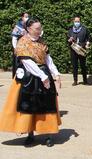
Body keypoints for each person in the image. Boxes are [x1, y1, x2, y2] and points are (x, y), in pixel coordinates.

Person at [0, 18, 62, 147]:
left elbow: (48, 59)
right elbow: (27, 63)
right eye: (37, 29)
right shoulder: (22, 43)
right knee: (28, 104)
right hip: (29, 77)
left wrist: (56, 73)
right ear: (29, 29)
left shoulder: (42, 41)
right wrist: (43, 76)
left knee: (47, 104)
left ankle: (48, 134)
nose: (39, 31)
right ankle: (30, 133)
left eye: (40, 28)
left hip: (43, 73)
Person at [67, 15, 91, 86]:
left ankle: (85, 80)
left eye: (78, 21)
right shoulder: (70, 30)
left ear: (80, 22)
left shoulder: (84, 29)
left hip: (81, 49)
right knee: (74, 66)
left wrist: (87, 43)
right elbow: (67, 39)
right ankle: (75, 80)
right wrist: (69, 40)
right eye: (75, 21)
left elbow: (88, 38)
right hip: (73, 50)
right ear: (73, 21)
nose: (77, 22)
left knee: (83, 65)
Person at [11, 12, 29, 78]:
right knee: (18, 63)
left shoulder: (29, 25)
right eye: (26, 17)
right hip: (19, 47)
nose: (27, 18)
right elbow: (14, 38)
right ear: (22, 17)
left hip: (28, 47)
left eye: (28, 17)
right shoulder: (18, 26)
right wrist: (15, 48)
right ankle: (17, 78)